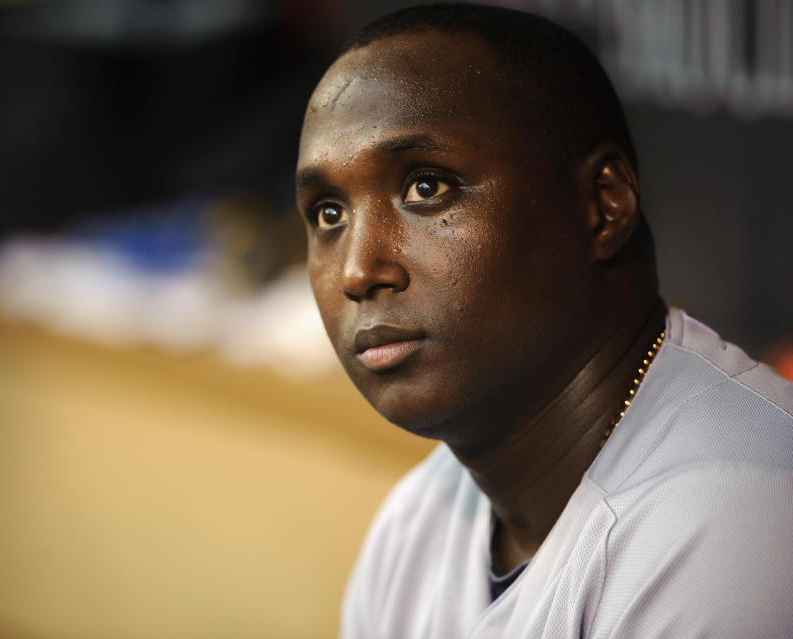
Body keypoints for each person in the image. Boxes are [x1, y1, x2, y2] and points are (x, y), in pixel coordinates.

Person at [294, 4, 793, 638]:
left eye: (426, 187)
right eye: (329, 214)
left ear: (602, 205)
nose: (358, 271)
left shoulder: (735, 515)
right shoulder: (415, 524)